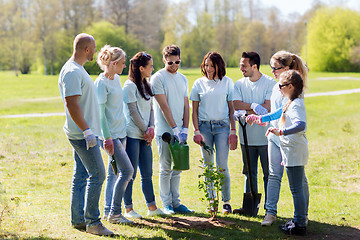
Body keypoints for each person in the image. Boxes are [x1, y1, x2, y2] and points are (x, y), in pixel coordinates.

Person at [58, 33, 113, 236]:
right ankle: (93, 222)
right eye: (95, 48)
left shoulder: (77, 69)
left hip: (83, 132)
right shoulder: (72, 71)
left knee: (81, 175)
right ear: (87, 49)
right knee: (98, 173)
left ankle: (78, 219)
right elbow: (71, 104)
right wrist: (87, 130)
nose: (97, 51)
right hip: (82, 135)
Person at [246, 51, 309, 226]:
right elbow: (277, 112)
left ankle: (301, 217)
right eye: (271, 68)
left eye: (276, 68)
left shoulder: (294, 90)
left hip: (288, 140)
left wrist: (281, 132)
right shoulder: (278, 87)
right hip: (274, 137)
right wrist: (262, 119)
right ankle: (270, 213)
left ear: (287, 68)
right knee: (273, 175)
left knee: (298, 181)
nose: (272, 71)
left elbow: (296, 120)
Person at [190, 52, 238, 214]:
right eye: (206, 65)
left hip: (222, 128)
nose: (208, 69)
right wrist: (196, 131)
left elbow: (232, 110)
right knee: (208, 166)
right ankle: (211, 200)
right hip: (204, 128)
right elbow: (194, 111)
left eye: (212, 65)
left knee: (222, 166)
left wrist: (233, 131)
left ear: (219, 66)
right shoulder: (198, 84)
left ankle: (226, 201)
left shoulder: (227, 83)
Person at [150, 44, 194, 215]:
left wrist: (185, 128)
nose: (174, 66)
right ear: (164, 61)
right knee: (166, 167)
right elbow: (163, 106)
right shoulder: (157, 78)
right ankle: (167, 204)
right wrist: (174, 129)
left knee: (178, 168)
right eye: (170, 63)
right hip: (165, 132)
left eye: (177, 62)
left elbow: (185, 104)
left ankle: (177, 203)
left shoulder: (183, 79)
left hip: (179, 130)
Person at [94, 45, 134, 225]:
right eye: (123, 63)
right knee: (127, 171)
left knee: (114, 174)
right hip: (111, 136)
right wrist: (107, 138)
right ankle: (115, 214)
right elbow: (100, 114)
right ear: (114, 63)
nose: (125, 67)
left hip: (121, 132)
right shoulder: (100, 83)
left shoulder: (117, 78)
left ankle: (108, 211)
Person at [232, 51, 276, 214]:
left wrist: (250, 109)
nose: (241, 68)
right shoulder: (239, 84)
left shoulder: (269, 83)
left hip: (265, 139)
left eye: (244, 65)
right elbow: (236, 105)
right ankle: (249, 208)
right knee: (249, 173)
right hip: (246, 138)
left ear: (254, 66)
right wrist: (255, 106)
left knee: (268, 175)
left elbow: (268, 108)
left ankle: (269, 208)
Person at [122, 52, 165, 218]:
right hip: (133, 135)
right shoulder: (129, 86)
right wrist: (145, 130)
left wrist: (152, 127)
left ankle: (152, 207)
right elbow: (132, 111)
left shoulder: (147, 84)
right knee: (130, 174)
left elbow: (152, 109)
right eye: (150, 66)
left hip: (146, 135)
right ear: (141, 68)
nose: (153, 69)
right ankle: (128, 209)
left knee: (147, 173)